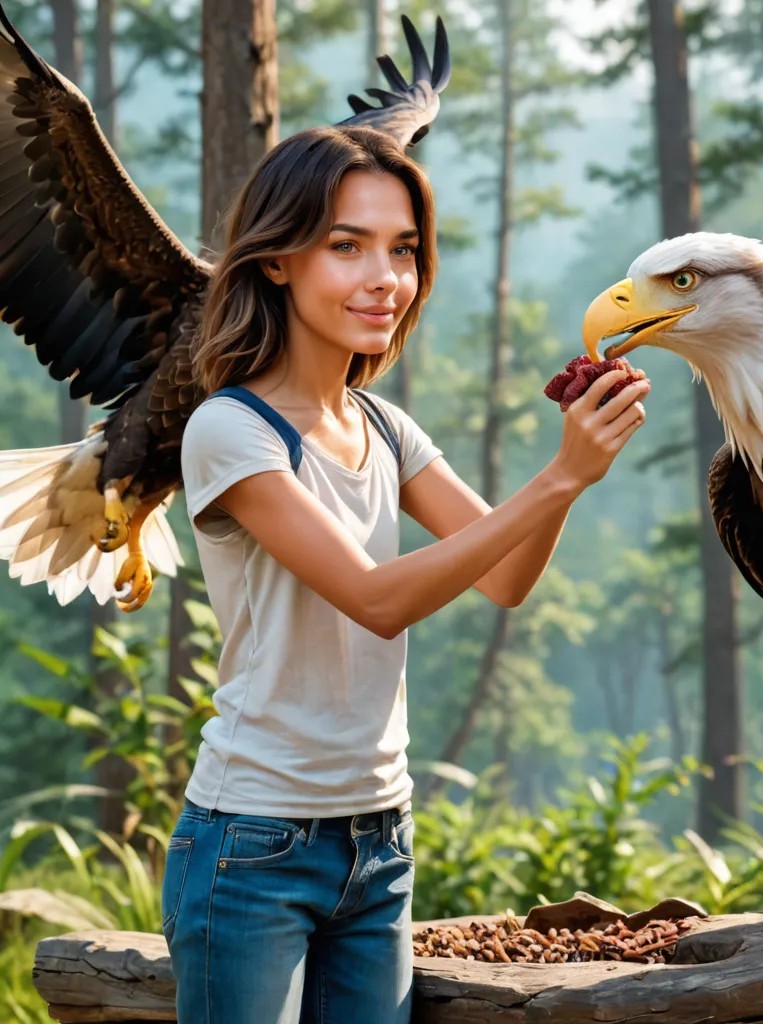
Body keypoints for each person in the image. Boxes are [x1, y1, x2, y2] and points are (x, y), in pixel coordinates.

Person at [161, 124, 650, 1024]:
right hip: (252, 842)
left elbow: (506, 578)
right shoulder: (230, 431)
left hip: (381, 838)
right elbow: (376, 599)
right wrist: (558, 477)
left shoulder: (385, 427)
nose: (385, 277)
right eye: (347, 246)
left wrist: (576, 473)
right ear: (277, 261)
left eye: (404, 250)